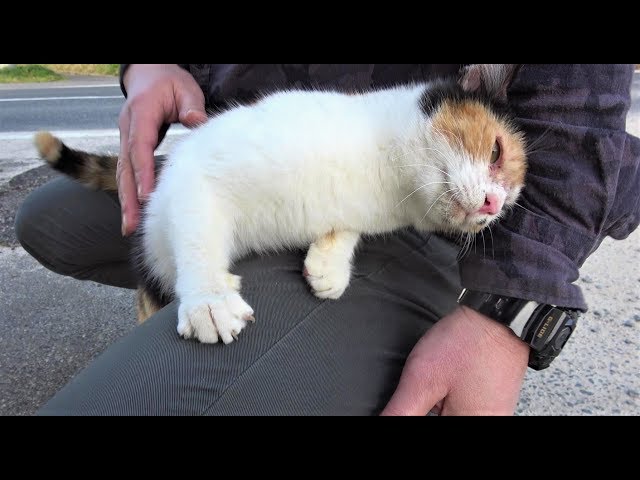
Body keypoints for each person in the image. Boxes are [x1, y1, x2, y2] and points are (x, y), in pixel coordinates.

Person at [15, 64, 640, 415]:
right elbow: (208, 173)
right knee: (46, 222)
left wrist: (508, 312)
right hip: (252, 155)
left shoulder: (442, 173)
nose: (492, 201)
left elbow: (578, 120)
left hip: (398, 220)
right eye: (498, 161)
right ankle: (202, 290)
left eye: (500, 203)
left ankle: (297, 323)